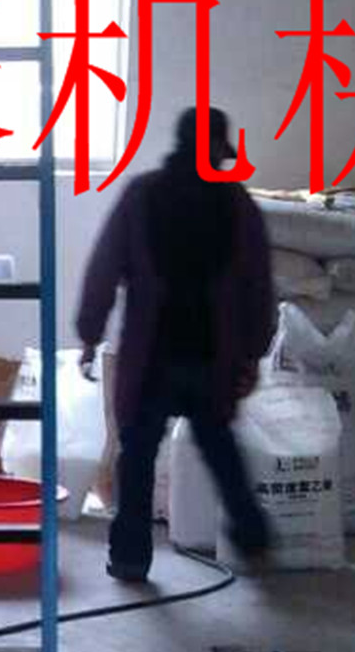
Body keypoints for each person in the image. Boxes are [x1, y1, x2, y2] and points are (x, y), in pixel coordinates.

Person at [77, 106, 276, 583]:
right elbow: (258, 285)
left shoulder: (142, 195)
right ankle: (253, 535)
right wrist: (252, 352)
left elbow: (104, 268)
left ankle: (130, 558)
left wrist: (90, 333)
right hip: (211, 356)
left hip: (150, 356)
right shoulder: (237, 205)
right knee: (219, 448)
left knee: (137, 458)